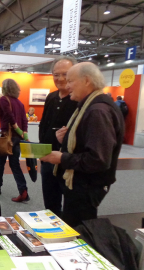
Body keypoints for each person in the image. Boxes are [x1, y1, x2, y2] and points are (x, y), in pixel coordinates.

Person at [41, 62, 125, 227]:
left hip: (86, 185)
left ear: (86, 81)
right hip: (82, 183)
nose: (67, 84)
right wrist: (65, 141)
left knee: (80, 232)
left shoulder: (97, 111)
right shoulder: (92, 106)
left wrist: (63, 158)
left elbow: (98, 159)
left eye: (70, 80)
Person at [39, 56, 78, 217]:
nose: (60, 79)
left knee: (71, 208)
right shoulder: (51, 97)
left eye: (65, 74)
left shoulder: (78, 99)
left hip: (69, 162)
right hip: (48, 159)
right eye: (56, 74)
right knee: (50, 205)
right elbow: (44, 126)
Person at [0, 79, 30, 202]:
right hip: (17, 138)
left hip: (6, 136)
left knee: (0, 163)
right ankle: (23, 191)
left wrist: (15, 127)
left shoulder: (4, 99)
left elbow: (9, 115)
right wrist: (24, 133)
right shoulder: (19, 103)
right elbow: (25, 121)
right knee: (15, 164)